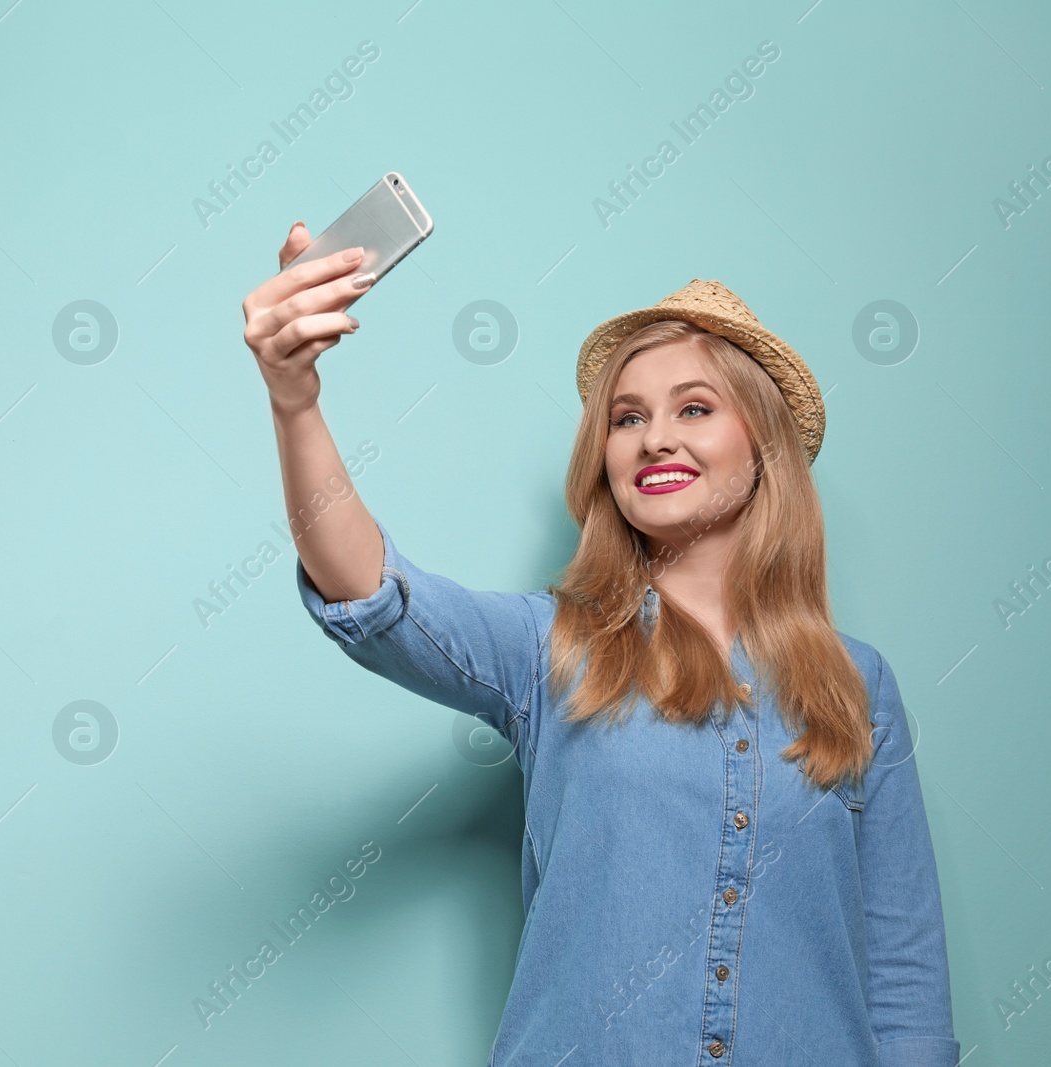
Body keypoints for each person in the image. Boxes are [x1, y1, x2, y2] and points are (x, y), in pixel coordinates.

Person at [241, 221, 961, 1066]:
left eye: (694, 408)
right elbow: (372, 592)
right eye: (627, 418)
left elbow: (904, 968)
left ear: (764, 449)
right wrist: (295, 398)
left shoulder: (858, 681)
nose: (654, 438)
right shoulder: (550, 647)